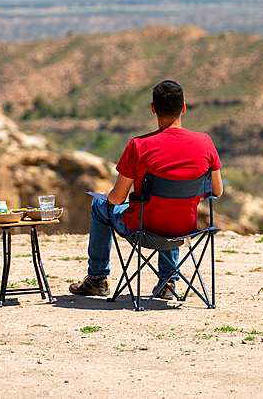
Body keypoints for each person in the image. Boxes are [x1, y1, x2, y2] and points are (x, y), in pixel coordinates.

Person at [69, 80, 223, 299]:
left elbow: (117, 199)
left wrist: (108, 194)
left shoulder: (138, 146)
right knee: (172, 208)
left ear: (153, 108)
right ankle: (168, 282)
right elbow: (217, 191)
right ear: (184, 107)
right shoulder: (205, 142)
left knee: (99, 204)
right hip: (184, 231)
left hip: (143, 230)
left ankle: (97, 279)